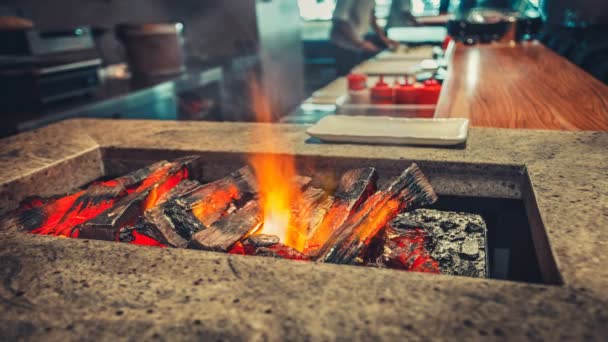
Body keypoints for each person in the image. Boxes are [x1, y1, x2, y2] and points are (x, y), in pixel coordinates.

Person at [330, 0, 399, 75]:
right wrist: (359, 43)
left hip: (359, 41)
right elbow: (339, 20)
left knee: (358, 74)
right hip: (344, 44)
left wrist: (383, 38)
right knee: (346, 77)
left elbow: (371, 16)